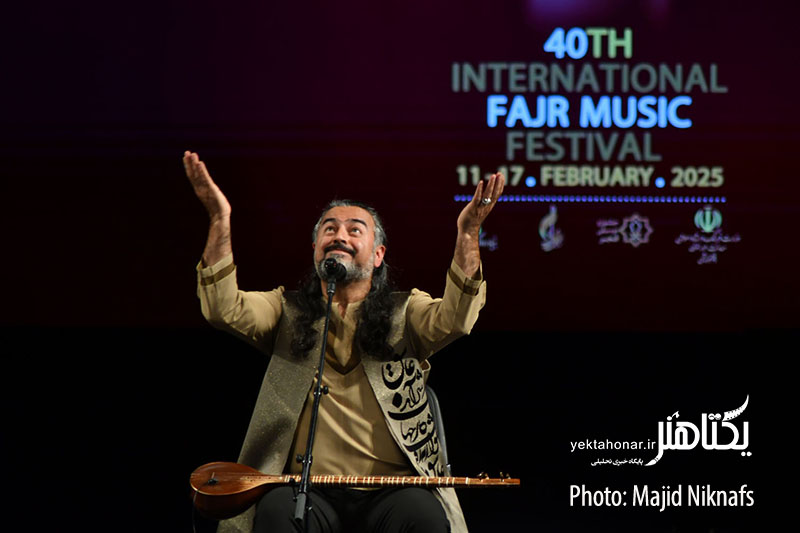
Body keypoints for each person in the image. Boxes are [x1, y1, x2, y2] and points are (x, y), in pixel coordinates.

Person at [184, 151, 504, 533]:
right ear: (315, 248)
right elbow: (222, 308)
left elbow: (457, 318)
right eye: (329, 228)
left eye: (355, 230)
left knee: (424, 516)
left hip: (393, 493)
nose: (340, 236)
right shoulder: (284, 311)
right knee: (275, 511)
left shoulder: (407, 312)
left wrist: (468, 234)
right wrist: (220, 219)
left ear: (378, 255)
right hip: (306, 491)